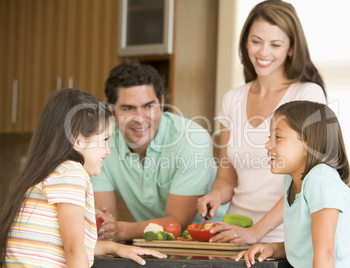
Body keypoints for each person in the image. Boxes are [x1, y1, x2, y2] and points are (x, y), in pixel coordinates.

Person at [197, 0, 327, 244]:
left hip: (285, 238)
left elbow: (306, 180)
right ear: (245, 41)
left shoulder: (308, 95)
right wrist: (215, 195)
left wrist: (257, 232)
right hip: (235, 234)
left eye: (275, 44)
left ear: (290, 48)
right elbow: (227, 177)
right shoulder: (232, 99)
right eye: (256, 41)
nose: (263, 52)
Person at [0, 89, 166, 267]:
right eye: (104, 139)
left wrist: (114, 248)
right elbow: (75, 253)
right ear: (77, 138)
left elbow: (58, 246)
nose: (108, 150)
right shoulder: (72, 173)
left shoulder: (53, 173)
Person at [92, 60, 213, 241]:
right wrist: (108, 228)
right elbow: (103, 222)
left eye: (149, 106)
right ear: (111, 110)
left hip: (214, 242)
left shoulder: (192, 139)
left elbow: (178, 223)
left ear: (162, 104)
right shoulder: (100, 144)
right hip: (156, 243)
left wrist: (121, 231)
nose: (140, 118)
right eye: (128, 108)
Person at [234, 101, 350, 267]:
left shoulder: (321, 181)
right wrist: (272, 249)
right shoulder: (292, 180)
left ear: (308, 143)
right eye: (269, 137)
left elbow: (324, 254)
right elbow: (304, 248)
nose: (268, 145)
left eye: (277, 137)